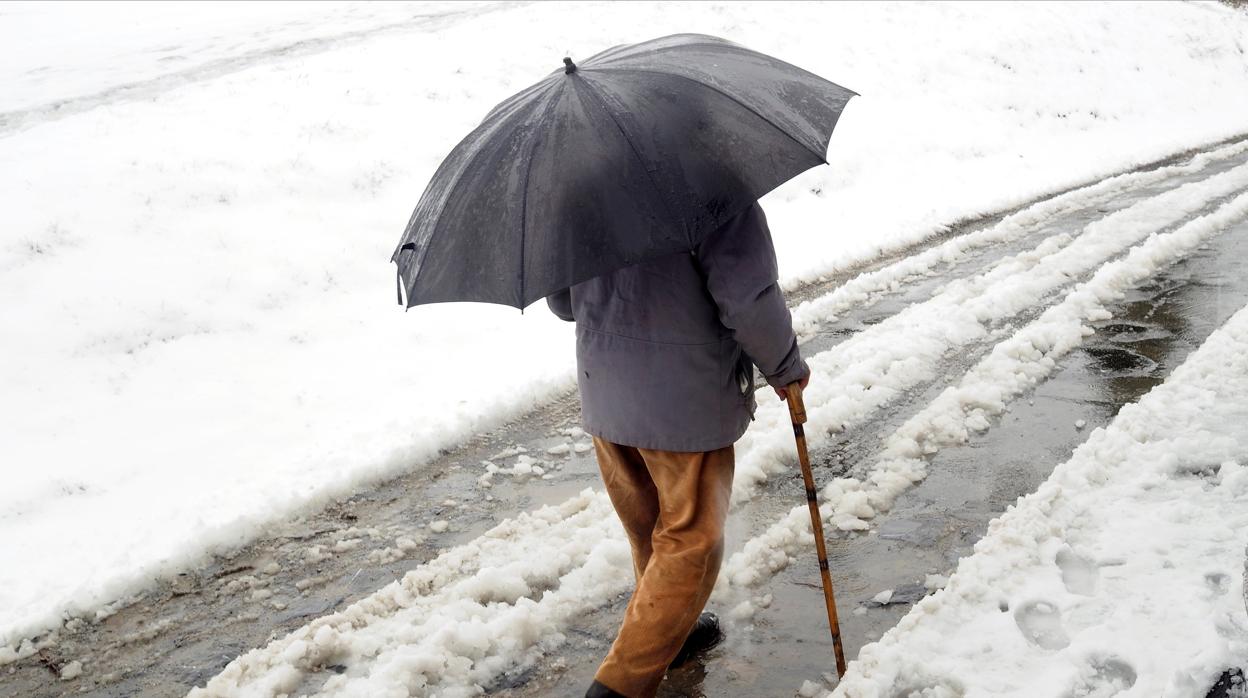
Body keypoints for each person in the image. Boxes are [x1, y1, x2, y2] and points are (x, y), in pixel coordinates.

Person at [546, 202, 810, 698]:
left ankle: (675, 632)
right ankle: (618, 688)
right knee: (691, 538)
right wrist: (786, 366)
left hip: (606, 388)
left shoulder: (581, 191)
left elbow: (563, 301)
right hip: (683, 399)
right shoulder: (715, 188)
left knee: (649, 526)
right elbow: (748, 300)